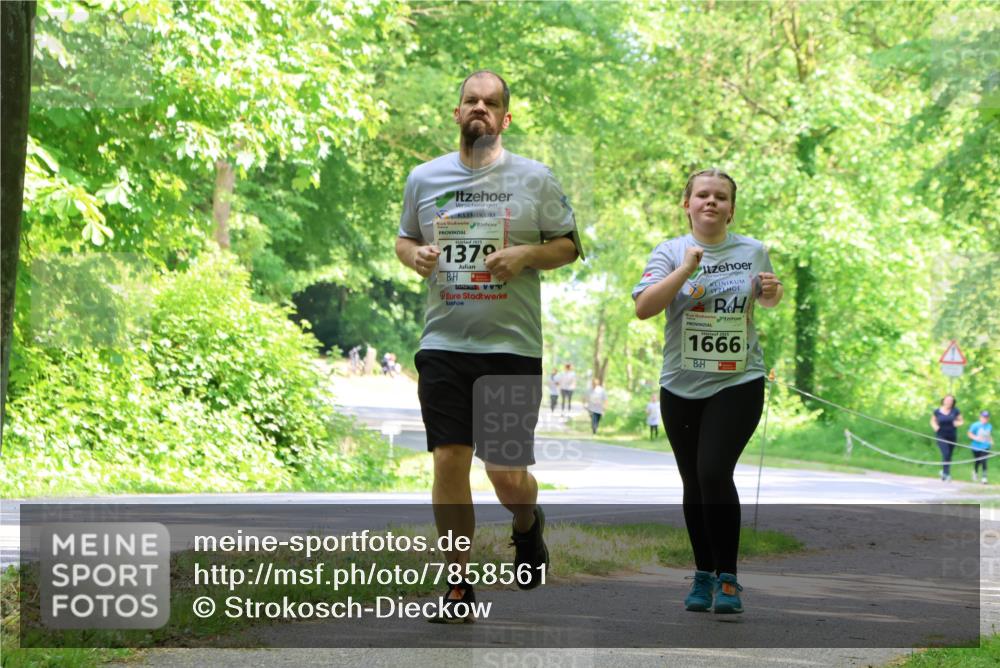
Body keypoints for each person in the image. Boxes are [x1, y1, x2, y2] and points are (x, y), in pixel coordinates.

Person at [395, 70, 582, 623]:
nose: (480, 108)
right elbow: (406, 239)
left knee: (505, 472)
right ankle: (457, 584)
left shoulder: (535, 178)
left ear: (505, 118)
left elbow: (568, 246)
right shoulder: (424, 179)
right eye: (470, 101)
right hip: (444, 341)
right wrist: (415, 257)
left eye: (491, 102)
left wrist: (526, 255)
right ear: (457, 113)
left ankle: (527, 524)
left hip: (509, 346)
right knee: (449, 461)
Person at [633, 168, 783, 615]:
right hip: (680, 384)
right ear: (688, 204)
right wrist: (685, 269)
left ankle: (729, 580)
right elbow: (644, 307)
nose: (711, 202)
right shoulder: (669, 251)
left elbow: (768, 299)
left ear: (732, 208)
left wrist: (771, 291)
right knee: (694, 481)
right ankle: (702, 575)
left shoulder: (753, 251)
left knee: (714, 471)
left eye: (721, 197)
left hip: (738, 380)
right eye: (703, 195)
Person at [931, 395, 963, 482]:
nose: (949, 402)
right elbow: (933, 420)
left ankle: (944, 473)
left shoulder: (955, 411)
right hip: (941, 435)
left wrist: (957, 423)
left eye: (951, 401)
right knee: (946, 453)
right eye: (947, 400)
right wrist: (935, 426)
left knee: (949, 455)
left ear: (953, 402)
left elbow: (961, 421)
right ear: (943, 401)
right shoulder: (937, 411)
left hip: (952, 435)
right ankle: (946, 473)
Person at [968, 410, 993, 484]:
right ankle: (975, 472)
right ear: (980, 417)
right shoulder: (975, 425)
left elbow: (988, 435)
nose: (985, 419)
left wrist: (991, 441)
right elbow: (969, 433)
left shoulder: (989, 426)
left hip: (985, 446)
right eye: (984, 417)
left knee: (984, 461)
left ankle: (984, 478)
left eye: (987, 417)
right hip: (976, 447)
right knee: (977, 461)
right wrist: (975, 438)